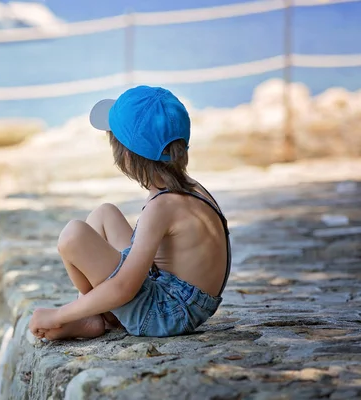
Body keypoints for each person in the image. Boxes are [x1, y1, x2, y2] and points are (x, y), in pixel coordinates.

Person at [28, 86, 231, 340]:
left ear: (125, 155)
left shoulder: (162, 206)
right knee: (105, 214)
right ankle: (94, 314)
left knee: (73, 235)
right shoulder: (189, 189)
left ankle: (89, 314)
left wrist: (58, 315)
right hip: (178, 298)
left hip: (166, 314)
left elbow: (124, 287)